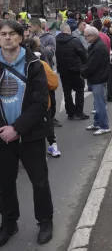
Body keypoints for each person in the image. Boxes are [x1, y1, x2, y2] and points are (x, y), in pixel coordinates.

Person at [0, 20, 54, 247]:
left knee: (39, 181)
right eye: (2, 34)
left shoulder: (35, 64)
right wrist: (4, 129)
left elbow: (40, 103)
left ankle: (45, 221)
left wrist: (17, 128)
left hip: (30, 135)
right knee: (4, 183)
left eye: (12, 34)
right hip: (2, 136)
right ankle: (9, 223)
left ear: (21, 37)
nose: (7, 38)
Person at [23, 37, 61, 157]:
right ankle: (53, 145)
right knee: (47, 124)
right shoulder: (41, 64)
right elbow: (54, 83)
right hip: (43, 102)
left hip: (23, 105)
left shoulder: (17, 64)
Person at [29, 18, 61, 127]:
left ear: (36, 26)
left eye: (30, 26)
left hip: (46, 70)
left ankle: (52, 117)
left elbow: (50, 54)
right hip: (34, 71)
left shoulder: (49, 38)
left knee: (51, 96)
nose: (29, 28)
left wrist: (39, 45)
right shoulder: (30, 37)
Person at [81, 26, 111, 135]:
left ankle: (104, 126)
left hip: (99, 78)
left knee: (100, 104)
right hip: (97, 78)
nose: (85, 38)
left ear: (92, 36)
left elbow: (92, 65)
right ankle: (97, 123)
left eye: (86, 36)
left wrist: (82, 72)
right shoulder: (96, 44)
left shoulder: (98, 47)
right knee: (98, 104)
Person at [56, 23, 89, 120]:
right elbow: (83, 54)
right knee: (79, 90)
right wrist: (84, 66)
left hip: (63, 71)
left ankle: (70, 112)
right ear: (69, 31)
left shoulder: (56, 41)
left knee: (67, 91)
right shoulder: (75, 41)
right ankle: (79, 112)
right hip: (75, 70)